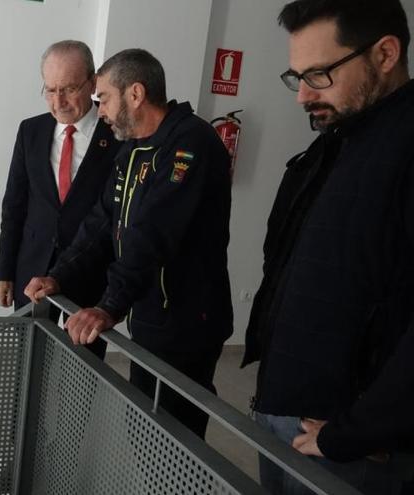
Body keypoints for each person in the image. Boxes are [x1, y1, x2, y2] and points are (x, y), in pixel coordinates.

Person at [243, 0, 414, 492]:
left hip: (352, 443)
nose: (301, 97)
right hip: (285, 409)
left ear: (385, 53)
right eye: (295, 76)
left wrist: (362, 430)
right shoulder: (334, 142)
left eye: (318, 75)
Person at [25, 48, 233, 438]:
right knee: (145, 428)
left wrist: (108, 306)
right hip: (151, 311)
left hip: (187, 319)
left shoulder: (190, 144)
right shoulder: (134, 148)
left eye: (103, 98)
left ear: (135, 94)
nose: (99, 109)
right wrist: (58, 277)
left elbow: (153, 233)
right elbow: (101, 222)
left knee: (174, 436)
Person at [0, 40, 121, 359]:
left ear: (93, 82)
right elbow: (14, 205)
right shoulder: (31, 131)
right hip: (32, 269)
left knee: (85, 364)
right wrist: (5, 270)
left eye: (68, 89)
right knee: (28, 359)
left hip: (91, 275)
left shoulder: (118, 136)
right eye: (50, 90)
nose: (58, 101)